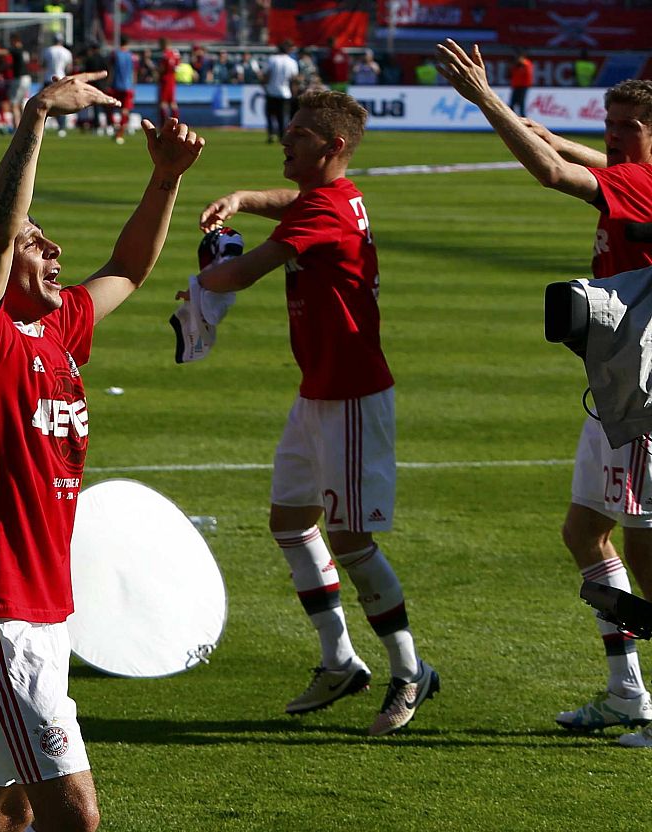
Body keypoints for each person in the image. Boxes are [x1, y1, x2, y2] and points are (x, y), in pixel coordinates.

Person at [0, 75, 203, 832]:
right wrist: (37, 116)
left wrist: (166, 177)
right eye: (36, 244)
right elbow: (0, 235)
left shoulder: (57, 330)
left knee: (4, 810)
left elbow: (129, 265)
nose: (53, 254)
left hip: (39, 606)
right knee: (71, 816)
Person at [197, 89, 437, 735]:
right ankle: (339, 659)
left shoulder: (325, 209)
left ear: (331, 147)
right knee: (289, 521)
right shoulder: (332, 196)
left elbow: (242, 274)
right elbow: (292, 204)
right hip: (318, 392)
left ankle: (411, 670)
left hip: (352, 397)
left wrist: (205, 276)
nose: (285, 139)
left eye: (299, 134)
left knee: (351, 539)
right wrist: (244, 198)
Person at [436, 41, 652, 744]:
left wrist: (484, 100)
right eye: (610, 124)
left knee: (647, 554)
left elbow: (554, 170)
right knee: (584, 531)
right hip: (614, 388)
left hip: (645, 399)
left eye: (629, 128)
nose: (613, 138)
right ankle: (626, 692)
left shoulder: (645, 185)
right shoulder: (630, 171)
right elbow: (560, 145)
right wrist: (507, 108)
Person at [263, 40, 298, 144]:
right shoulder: (292, 62)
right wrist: (294, 93)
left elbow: (267, 75)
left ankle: (271, 134)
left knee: (270, 115)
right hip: (285, 92)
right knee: (283, 116)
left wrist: (264, 84)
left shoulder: (272, 59)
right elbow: (294, 79)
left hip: (271, 91)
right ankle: (282, 136)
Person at [41, 36, 73, 136]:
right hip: (61, 79)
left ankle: (42, 126)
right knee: (61, 104)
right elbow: (69, 67)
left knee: (44, 104)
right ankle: (62, 127)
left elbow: (43, 64)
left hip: (48, 78)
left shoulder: (47, 50)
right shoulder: (66, 52)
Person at [110, 36, 136, 141]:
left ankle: (115, 128)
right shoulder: (132, 56)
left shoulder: (115, 54)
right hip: (128, 86)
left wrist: (109, 83)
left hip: (116, 85)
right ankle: (120, 133)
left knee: (110, 107)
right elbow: (134, 72)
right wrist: (134, 86)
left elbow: (111, 69)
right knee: (125, 110)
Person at [8, 34, 32, 121]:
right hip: (27, 78)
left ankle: (17, 128)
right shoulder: (25, 51)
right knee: (21, 103)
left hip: (19, 78)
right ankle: (25, 126)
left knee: (14, 104)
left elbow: (3, 52)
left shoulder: (16, 50)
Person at [158, 37, 181, 122]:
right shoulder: (176, 53)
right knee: (173, 103)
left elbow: (162, 68)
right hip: (172, 79)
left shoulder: (164, 54)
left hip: (165, 79)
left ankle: (164, 124)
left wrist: (157, 71)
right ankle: (175, 123)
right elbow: (178, 67)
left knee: (163, 103)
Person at [510, 51, 533, 116]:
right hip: (516, 86)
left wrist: (522, 65)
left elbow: (527, 73)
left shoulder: (527, 64)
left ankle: (523, 117)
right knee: (512, 103)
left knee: (521, 103)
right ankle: (512, 116)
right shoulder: (516, 65)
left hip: (523, 86)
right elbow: (512, 74)